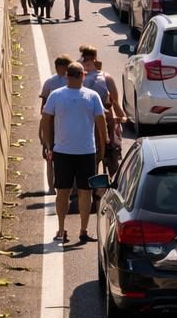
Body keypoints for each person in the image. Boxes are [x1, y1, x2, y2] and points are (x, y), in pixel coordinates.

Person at [40, 63, 107, 244]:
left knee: (76, 192)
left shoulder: (86, 96)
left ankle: (79, 230)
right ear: (81, 76)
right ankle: (65, 229)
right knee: (68, 192)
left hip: (81, 151)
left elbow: (45, 120)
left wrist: (48, 144)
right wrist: (104, 144)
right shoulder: (60, 95)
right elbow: (101, 123)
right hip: (70, 152)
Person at [79, 45, 126, 176]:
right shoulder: (105, 77)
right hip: (102, 120)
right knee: (112, 152)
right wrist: (121, 117)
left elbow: (114, 101)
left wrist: (120, 116)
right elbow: (115, 101)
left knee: (101, 154)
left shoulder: (80, 78)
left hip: (91, 121)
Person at [38, 56, 73, 195]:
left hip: (68, 122)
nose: (63, 70)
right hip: (52, 123)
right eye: (60, 67)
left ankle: (70, 185)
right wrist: (42, 129)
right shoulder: (50, 82)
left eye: (65, 67)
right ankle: (51, 187)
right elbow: (43, 108)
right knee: (49, 155)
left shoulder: (73, 81)